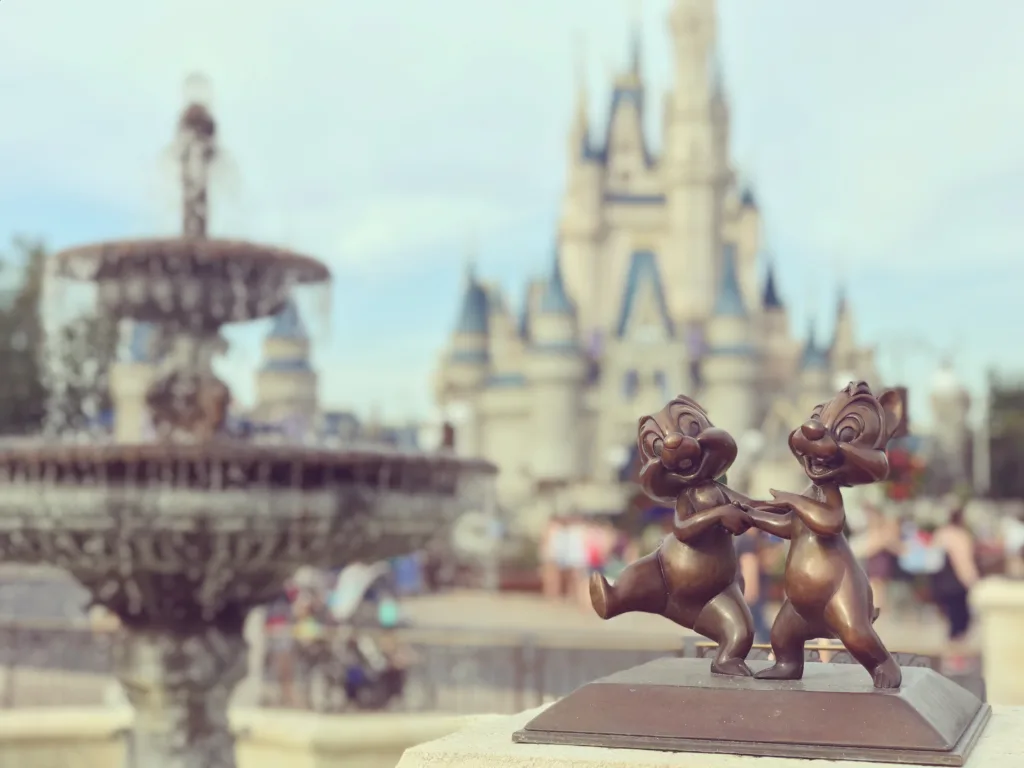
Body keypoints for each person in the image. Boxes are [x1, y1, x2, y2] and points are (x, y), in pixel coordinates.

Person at [930, 507, 980, 672]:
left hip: (940, 585)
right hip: (956, 586)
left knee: (951, 621)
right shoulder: (960, 536)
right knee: (961, 622)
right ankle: (955, 659)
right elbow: (963, 563)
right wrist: (974, 582)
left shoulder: (940, 533)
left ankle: (950, 657)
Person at [855, 505, 901, 613]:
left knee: (878, 589)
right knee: (875, 589)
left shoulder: (882, 533)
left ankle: (876, 611)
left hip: (879, 565)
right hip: (874, 564)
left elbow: (895, 547)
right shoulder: (875, 532)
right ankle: (875, 611)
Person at [736, 528, 770, 644]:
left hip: (745, 592)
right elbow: (749, 564)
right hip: (751, 593)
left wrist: (749, 592)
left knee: (756, 626)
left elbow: (748, 565)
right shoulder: (750, 540)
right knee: (759, 627)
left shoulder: (744, 539)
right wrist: (751, 592)